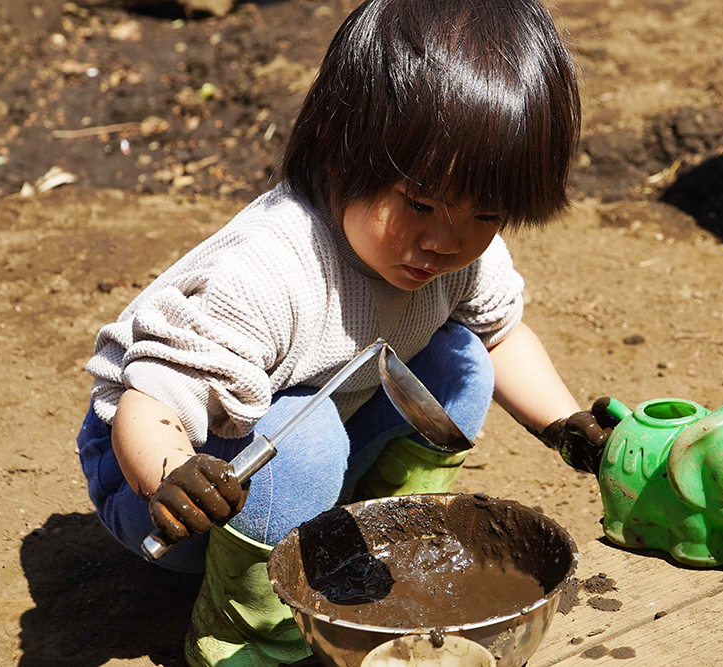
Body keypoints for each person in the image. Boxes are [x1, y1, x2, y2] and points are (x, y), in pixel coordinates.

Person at [76, 0, 615, 665]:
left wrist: (566, 424)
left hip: (316, 423)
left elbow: (501, 338)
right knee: (306, 436)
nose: (445, 240)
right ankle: (250, 632)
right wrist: (172, 475)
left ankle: (382, 539)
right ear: (341, 150)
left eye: (488, 213)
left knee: (460, 361)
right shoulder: (268, 273)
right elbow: (151, 402)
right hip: (167, 481)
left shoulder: (459, 253)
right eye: (419, 203)